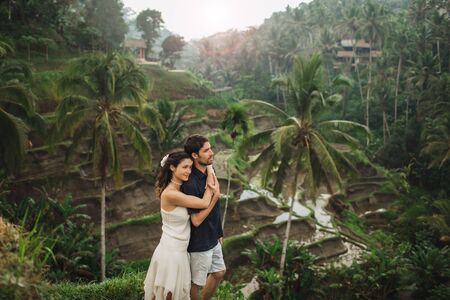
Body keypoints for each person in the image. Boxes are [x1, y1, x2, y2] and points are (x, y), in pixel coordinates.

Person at [144, 151, 219, 300]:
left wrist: (208, 168)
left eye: (190, 167)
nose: (189, 171)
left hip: (180, 251)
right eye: (185, 167)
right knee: (167, 295)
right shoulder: (171, 194)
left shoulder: (180, 189)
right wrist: (214, 195)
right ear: (172, 167)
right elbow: (204, 202)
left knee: (172, 294)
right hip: (171, 253)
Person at [182, 135, 226, 300]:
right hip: (199, 241)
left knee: (219, 272)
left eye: (210, 148)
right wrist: (213, 198)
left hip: (212, 235)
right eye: (206, 150)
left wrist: (219, 232)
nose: (211, 153)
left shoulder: (209, 169)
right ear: (195, 155)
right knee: (196, 283)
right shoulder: (190, 183)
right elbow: (196, 220)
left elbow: (217, 207)